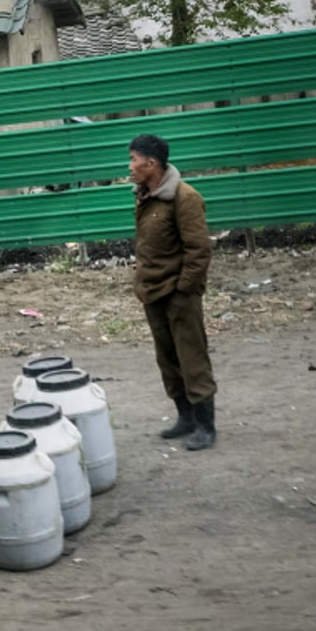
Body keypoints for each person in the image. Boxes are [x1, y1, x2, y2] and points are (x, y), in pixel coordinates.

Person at [129, 134, 218, 451]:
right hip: (153, 293)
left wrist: (184, 291)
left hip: (179, 295)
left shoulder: (184, 197)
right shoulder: (145, 195)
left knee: (192, 358)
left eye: (133, 160)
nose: (130, 167)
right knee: (167, 360)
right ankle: (186, 417)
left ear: (151, 164)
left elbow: (199, 251)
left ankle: (206, 426)